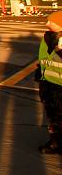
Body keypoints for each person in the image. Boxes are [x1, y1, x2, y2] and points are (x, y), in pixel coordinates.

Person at [38, 11, 62, 154]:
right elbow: (44, 58)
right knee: (53, 116)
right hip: (49, 83)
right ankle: (55, 142)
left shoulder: (58, 40)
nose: (47, 24)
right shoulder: (48, 36)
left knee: (58, 117)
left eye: (51, 21)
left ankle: (56, 143)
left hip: (59, 85)